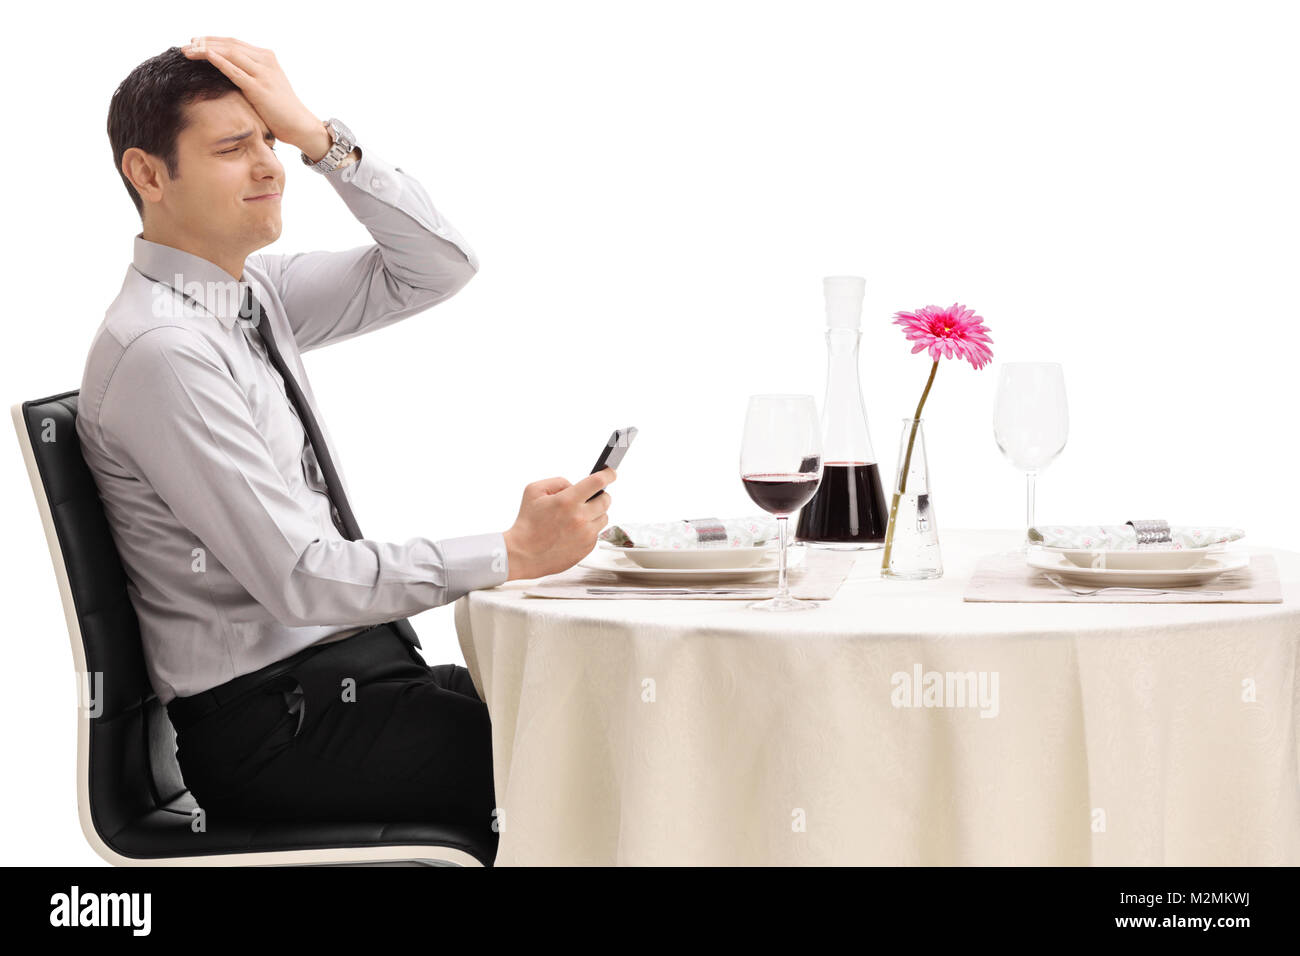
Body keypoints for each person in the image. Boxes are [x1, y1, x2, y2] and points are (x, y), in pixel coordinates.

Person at [77, 38, 615, 846]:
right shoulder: (166, 351)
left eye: (270, 140)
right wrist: (511, 552)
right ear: (148, 175)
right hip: (280, 731)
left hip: (350, 685)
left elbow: (437, 268)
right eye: (233, 147)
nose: (269, 166)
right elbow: (301, 580)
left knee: (605, 710)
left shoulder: (247, 295)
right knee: (603, 762)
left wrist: (326, 142)